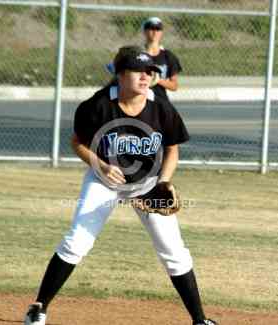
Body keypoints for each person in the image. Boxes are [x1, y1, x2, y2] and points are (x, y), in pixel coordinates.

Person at [24, 46, 218, 325]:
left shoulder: (161, 107)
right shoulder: (99, 105)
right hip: (104, 181)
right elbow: (77, 142)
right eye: (138, 71)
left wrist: (163, 182)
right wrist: (99, 164)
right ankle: (38, 308)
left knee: (174, 252)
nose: (145, 76)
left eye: (150, 71)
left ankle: (200, 320)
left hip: (147, 184)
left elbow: (172, 149)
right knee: (77, 240)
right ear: (119, 74)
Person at [142, 17, 182, 101]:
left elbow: (174, 86)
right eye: (151, 28)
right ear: (145, 31)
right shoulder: (137, 54)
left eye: (158, 29)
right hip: (140, 100)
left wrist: (157, 80)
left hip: (160, 100)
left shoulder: (168, 56)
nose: (155, 32)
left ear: (161, 33)